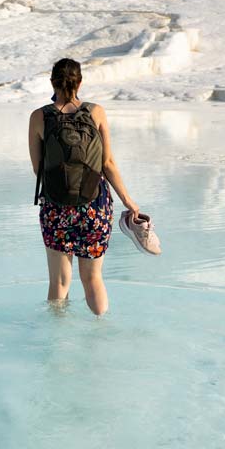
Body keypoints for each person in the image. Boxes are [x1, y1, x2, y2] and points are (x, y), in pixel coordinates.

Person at [28, 58, 138, 316]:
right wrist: (128, 201)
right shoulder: (96, 112)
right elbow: (107, 162)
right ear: (80, 82)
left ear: (52, 81)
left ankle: (56, 339)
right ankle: (100, 333)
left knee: (59, 282)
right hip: (95, 205)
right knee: (92, 278)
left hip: (56, 206)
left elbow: (38, 169)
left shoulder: (38, 117)